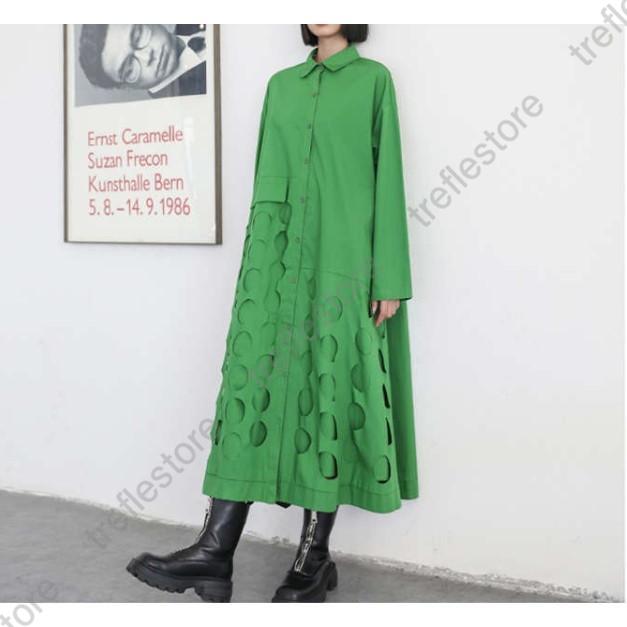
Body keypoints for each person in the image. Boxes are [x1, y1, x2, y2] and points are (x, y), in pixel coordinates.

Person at [126, 24, 419, 603]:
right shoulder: (281, 86)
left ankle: (313, 558)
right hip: (276, 263)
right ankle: (214, 551)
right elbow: (266, 174)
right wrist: (259, 265)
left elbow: (389, 180)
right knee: (250, 387)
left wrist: (388, 277)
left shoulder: (373, 82)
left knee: (328, 391)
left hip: (343, 262)